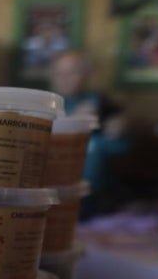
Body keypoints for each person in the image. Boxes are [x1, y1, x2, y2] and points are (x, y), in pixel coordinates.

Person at [48, 50, 130, 216]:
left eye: (72, 73)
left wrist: (117, 132)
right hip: (53, 192)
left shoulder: (100, 104)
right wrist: (69, 123)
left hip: (93, 196)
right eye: (59, 73)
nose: (64, 78)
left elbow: (122, 148)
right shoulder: (44, 105)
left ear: (86, 75)